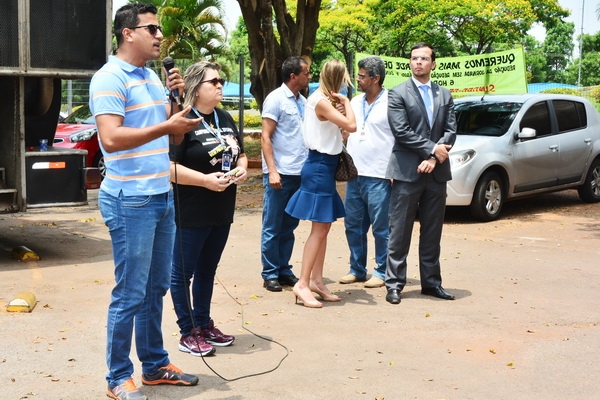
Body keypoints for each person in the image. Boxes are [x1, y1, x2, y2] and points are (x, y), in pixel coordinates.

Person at [89, 3, 201, 400]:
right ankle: (118, 377)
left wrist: (177, 102)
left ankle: (154, 365)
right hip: (130, 201)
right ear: (127, 33)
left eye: (159, 29)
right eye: (151, 28)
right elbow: (110, 139)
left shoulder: (153, 78)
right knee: (130, 293)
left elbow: (174, 137)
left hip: (160, 197)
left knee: (155, 289)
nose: (159, 35)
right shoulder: (109, 78)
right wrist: (167, 123)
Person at [169, 61, 247, 357]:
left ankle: (203, 324)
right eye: (213, 82)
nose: (219, 85)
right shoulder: (183, 119)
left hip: (221, 208)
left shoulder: (223, 116)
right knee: (182, 273)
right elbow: (168, 168)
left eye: (220, 80)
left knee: (207, 270)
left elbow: (239, 154)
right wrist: (204, 180)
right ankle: (187, 331)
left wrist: (242, 169)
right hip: (191, 210)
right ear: (195, 87)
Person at [384, 42, 457, 305]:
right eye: (415, 58)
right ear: (410, 62)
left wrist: (433, 158)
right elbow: (401, 131)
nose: (418, 62)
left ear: (433, 64)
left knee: (432, 231)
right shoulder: (397, 93)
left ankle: (431, 283)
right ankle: (394, 284)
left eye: (424, 58)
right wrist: (432, 150)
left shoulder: (444, 94)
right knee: (399, 231)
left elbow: (451, 131)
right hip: (407, 172)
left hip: (436, 173)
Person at [285, 59, 357, 308]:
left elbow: (343, 133)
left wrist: (342, 109)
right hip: (318, 167)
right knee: (319, 229)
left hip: (324, 167)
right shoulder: (321, 102)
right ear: (339, 78)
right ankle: (303, 283)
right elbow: (352, 126)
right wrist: (347, 103)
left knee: (323, 227)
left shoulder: (321, 100)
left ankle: (316, 280)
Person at [339, 56, 395, 289]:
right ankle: (357, 269)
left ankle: (382, 271)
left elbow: (401, 137)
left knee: (382, 229)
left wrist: (396, 170)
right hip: (355, 174)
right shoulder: (355, 101)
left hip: (380, 175)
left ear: (376, 78)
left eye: (362, 76)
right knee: (353, 226)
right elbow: (346, 131)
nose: (358, 79)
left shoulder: (393, 101)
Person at [260, 57, 310, 292]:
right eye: (306, 73)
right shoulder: (276, 99)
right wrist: (272, 171)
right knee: (273, 225)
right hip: (280, 174)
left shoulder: (303, 101)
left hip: (299, 173)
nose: (309, 77)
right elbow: (265, 136)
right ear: (293, 76)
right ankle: (270, 273)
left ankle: (283, 269)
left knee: (289, 226)